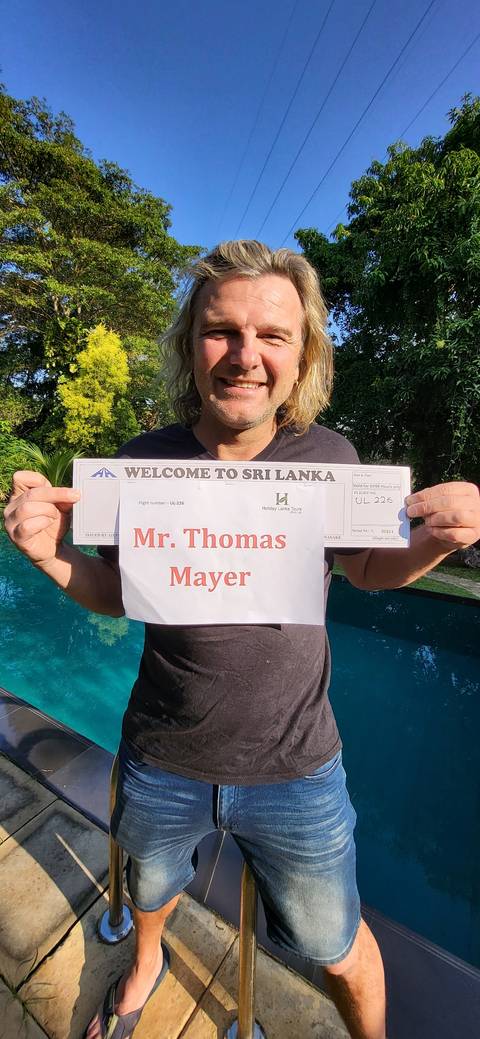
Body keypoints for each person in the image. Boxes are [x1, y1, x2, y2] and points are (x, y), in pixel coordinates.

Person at [5, 240, 480, 1039]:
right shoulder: (143, 463)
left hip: (298, 769)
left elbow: (366, 569)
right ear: (192, 344)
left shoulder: (329, 459)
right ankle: (146, 963)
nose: (245, 355)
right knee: (152, 890)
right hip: (161, 755)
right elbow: (118, 591)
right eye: (222, 331)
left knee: (335, 944)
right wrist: (53, 554)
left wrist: (437, 540)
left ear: (304, 355)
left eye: (273, 335)